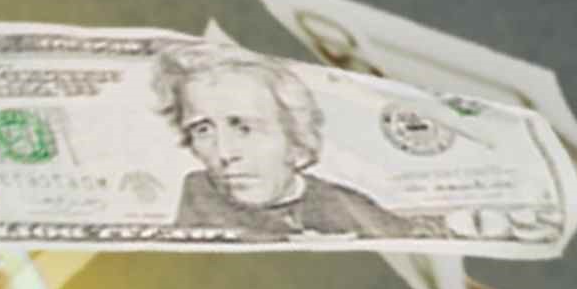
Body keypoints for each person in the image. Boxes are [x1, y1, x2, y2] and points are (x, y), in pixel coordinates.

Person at [155, 52, 428, 243]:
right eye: (202, 130)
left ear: (295, 141)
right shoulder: (198, 197)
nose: (224, 154)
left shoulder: (349, 207)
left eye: (245, 128)